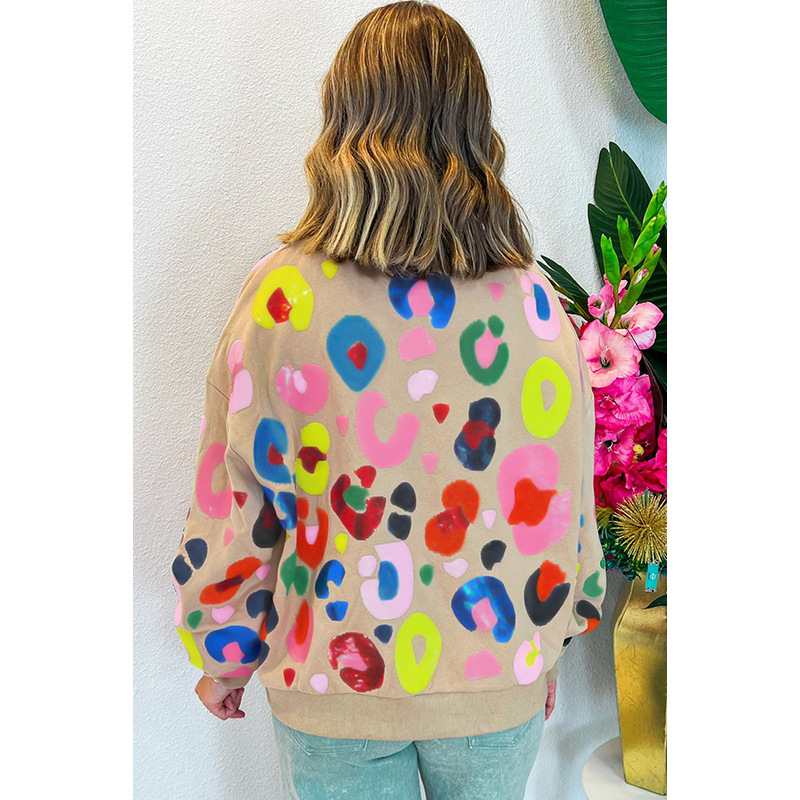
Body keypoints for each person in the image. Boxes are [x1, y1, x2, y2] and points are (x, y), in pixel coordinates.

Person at [169, 2, 606, 798]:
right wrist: (551, 639)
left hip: (332, 680)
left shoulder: (280, 300)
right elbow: (568, 497)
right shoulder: (534, 306)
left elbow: (236, 494)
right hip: (495, 676)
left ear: (343, 120)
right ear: (473, 126)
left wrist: (226, 647)